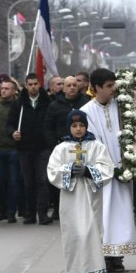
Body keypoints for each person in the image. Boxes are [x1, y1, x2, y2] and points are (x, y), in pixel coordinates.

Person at [47, 110, 115, 273]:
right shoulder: (61, 148)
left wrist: (88, 170)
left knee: (92, 233)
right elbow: (52, 170)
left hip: (91, 197)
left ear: (86, 126)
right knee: (74, 236)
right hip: (71, 198)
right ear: (69, 127)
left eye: (82, 125)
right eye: (74, 126)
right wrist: (68, 169)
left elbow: (107, 168)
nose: (78, 129)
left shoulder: (96, 146)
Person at [81, 68, 136, 272]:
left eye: (114, 85)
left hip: (122, 170)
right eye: (109, 86)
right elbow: (92, 142)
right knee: (104, 213)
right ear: (96, 87)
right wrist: (107, 166)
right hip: (102, 172)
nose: (114, 89)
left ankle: (118, 255)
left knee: (122, 212)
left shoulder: (122, 107)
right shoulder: (87, 111)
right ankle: (104, 254)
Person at [44, 76, 91, 222]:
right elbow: (48, 127)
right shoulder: (54, 105)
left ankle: (85, 209)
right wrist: (55, 145)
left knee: (83, 180)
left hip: (85, 146)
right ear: (63, 88)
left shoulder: (86, 103)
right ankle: (60, 208)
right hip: (62, 148)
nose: (71, 88)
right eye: (68, 85)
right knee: (62, 178)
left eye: (74, 85)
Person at [10, 73, 53, 224]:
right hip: (25, 148)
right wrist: (13, 133)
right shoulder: (19, 104)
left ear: (39, 84)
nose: (33, 87)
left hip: (43, 147)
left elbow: (51, 122)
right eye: (30, 84)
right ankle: (30, 213)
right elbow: (10, 123)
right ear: (26, 86)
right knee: (28, 182)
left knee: (42, 179)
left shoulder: (47, 102)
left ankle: (42, 213)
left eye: (36, 84)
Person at [0, 75, 21, 222]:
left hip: (14, 149)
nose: (3, 91)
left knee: (13, 182)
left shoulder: (19, 107)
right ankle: (3, 205)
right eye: (2, 89)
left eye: (7, 88)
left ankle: (11, 211)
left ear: (14, 91)